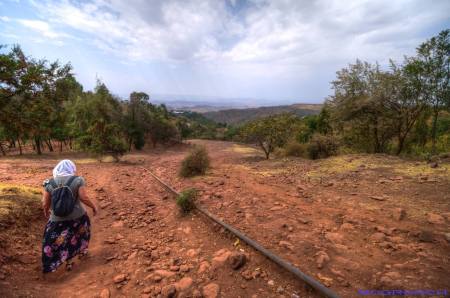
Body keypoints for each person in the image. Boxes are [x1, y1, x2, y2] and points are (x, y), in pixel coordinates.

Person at [41, 159, 98, 273]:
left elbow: (45, 203)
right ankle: (82, 251)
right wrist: (93, 207)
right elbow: (83, 198)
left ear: (57, 169)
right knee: (80, 235)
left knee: (55, 240)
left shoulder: (48, 183)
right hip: (78, 217)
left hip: (57, 219)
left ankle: (63, 262)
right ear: (72, 168)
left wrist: (46, 211)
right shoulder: (78, 180)